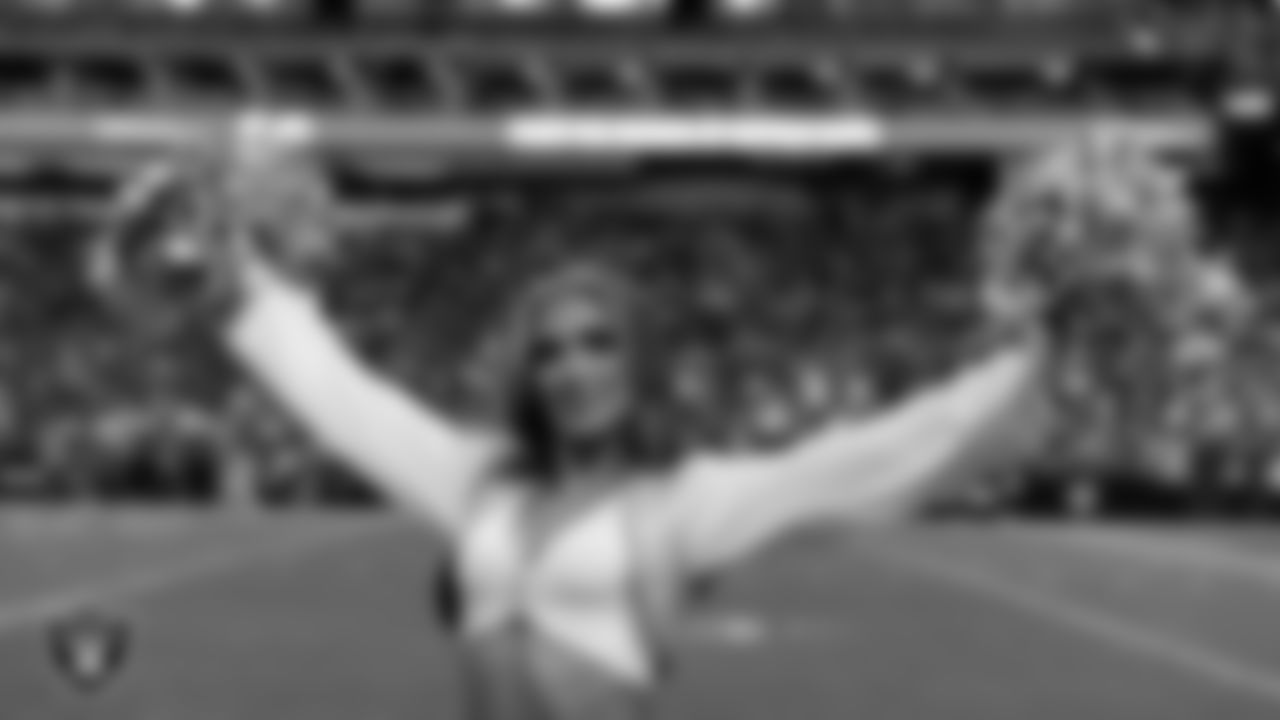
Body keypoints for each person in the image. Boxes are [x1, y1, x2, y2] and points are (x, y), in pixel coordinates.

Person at [94, 129, 1187, 720]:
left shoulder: (685, 504)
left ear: (636, 363)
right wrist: (235, 284)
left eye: (599, 342)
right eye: (552, 346)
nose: (573, 366)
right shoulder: (476, 482)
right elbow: (346, 401)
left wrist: (1043, 354)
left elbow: (863, 460)